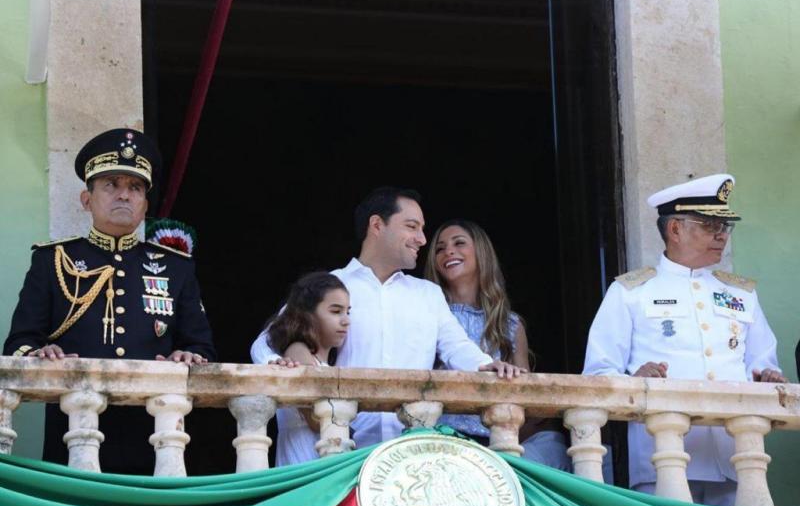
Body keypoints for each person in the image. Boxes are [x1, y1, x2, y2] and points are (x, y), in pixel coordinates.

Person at [3, 128, 216, 474]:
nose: (124, 196)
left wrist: (190, 355)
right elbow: (18, 343)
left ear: (145, 205)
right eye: (111, 185)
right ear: (87, 199)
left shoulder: (176, 269)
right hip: (71, 434)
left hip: (153, 437)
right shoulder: (53, 260)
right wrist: (40, 354)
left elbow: (202, 347)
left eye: (135, 188)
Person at [252, 187, 525, 449]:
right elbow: (266, 343)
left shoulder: (427, 294)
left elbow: (457, 347)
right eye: (411, 226)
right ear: (377, 225)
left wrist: (488, 365)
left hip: (409, 451)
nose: (422, 238)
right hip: (342, 449)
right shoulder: (329, 285)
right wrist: (278, 362)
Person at [582, 173, 786, 506]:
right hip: (663, 456)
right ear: (675, 229)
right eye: (709, 225)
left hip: (736, 455)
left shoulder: (740, 293)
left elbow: (763, 363)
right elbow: (597, 374)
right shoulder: (630, 292)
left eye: (725, 226)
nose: (721, 235)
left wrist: (767, 377)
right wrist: (634, 381)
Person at [424, 219, 571, 471]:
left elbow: (525, 398)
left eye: (459, 243)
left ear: (481, 253)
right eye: (440, 248)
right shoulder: (426, 313)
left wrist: (513, 377)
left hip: (497, 443)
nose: (448, 251)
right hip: (441, 439)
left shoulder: (510, 324)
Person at [267, 272, 350, 466]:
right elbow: (317, 419)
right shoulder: (298, 350)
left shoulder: (325, 361)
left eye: (348, 312)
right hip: (304, 460)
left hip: (322, 458)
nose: (346, 320)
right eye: (336, 311)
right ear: (308, 315)